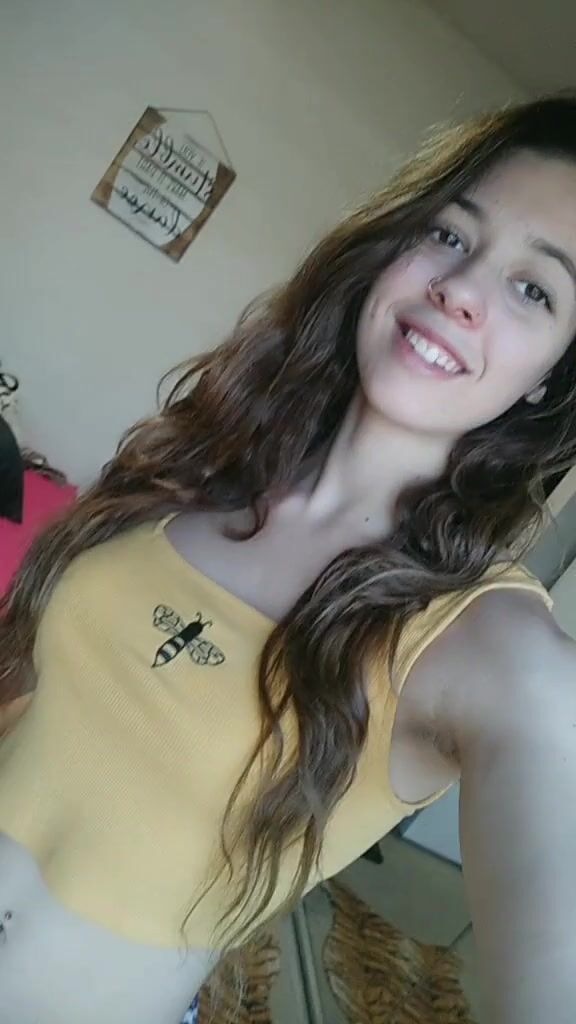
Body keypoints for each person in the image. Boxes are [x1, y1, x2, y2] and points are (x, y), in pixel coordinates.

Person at [1, 92, 576, 1024]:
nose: (461, 289)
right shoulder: (209, 461)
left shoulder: (489, 645)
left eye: (534, 289)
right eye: (449, 235)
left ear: (551, 374)